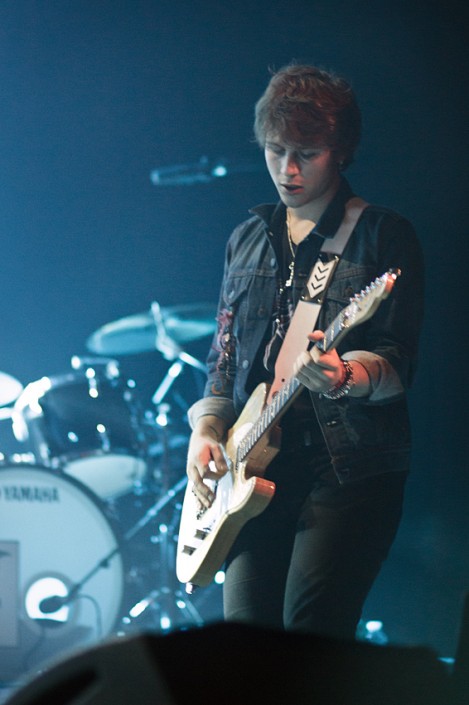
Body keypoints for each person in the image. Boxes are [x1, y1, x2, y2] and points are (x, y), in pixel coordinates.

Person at [185, 63, 424, 640]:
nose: (287, 170)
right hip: (252, 471)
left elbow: (397, 363)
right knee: (246, 645)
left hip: (347, 471)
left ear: (340, 151)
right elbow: (223, 359)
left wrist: (343, 375)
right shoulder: (246, 239)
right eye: (275, 151)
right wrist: (206, 429)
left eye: (307, 153)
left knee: (309, 637)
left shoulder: (382, 235)